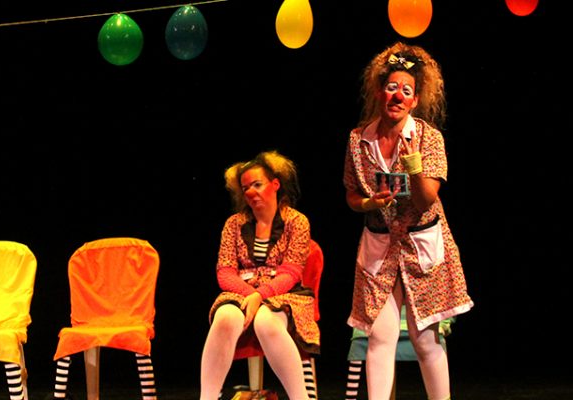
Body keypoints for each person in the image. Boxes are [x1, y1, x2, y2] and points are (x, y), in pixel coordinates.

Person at [343, 41, 473, 400]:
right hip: (380, 245)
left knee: (425, 340)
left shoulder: (429, 138)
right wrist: (369, 201)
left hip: (420, 246)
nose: (397, 96)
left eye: (406, 91)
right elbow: (351, 193)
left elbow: (426, 198)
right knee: (379, 338)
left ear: (415, 100)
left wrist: (413, 163)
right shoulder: (358, 140)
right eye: (391, 87)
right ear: (379, 92)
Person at [200, 150, 318, 400]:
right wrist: (251, 295)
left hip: (285, 294)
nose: (251, 192)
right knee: (225, 317)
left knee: (266, 321)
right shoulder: (234, 224)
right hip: (241, 292)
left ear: (275, 184)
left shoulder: (297, 222)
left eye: (257, 184)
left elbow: (291, 272)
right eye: (245, 188)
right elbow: (225, 271)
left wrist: (260, 295)